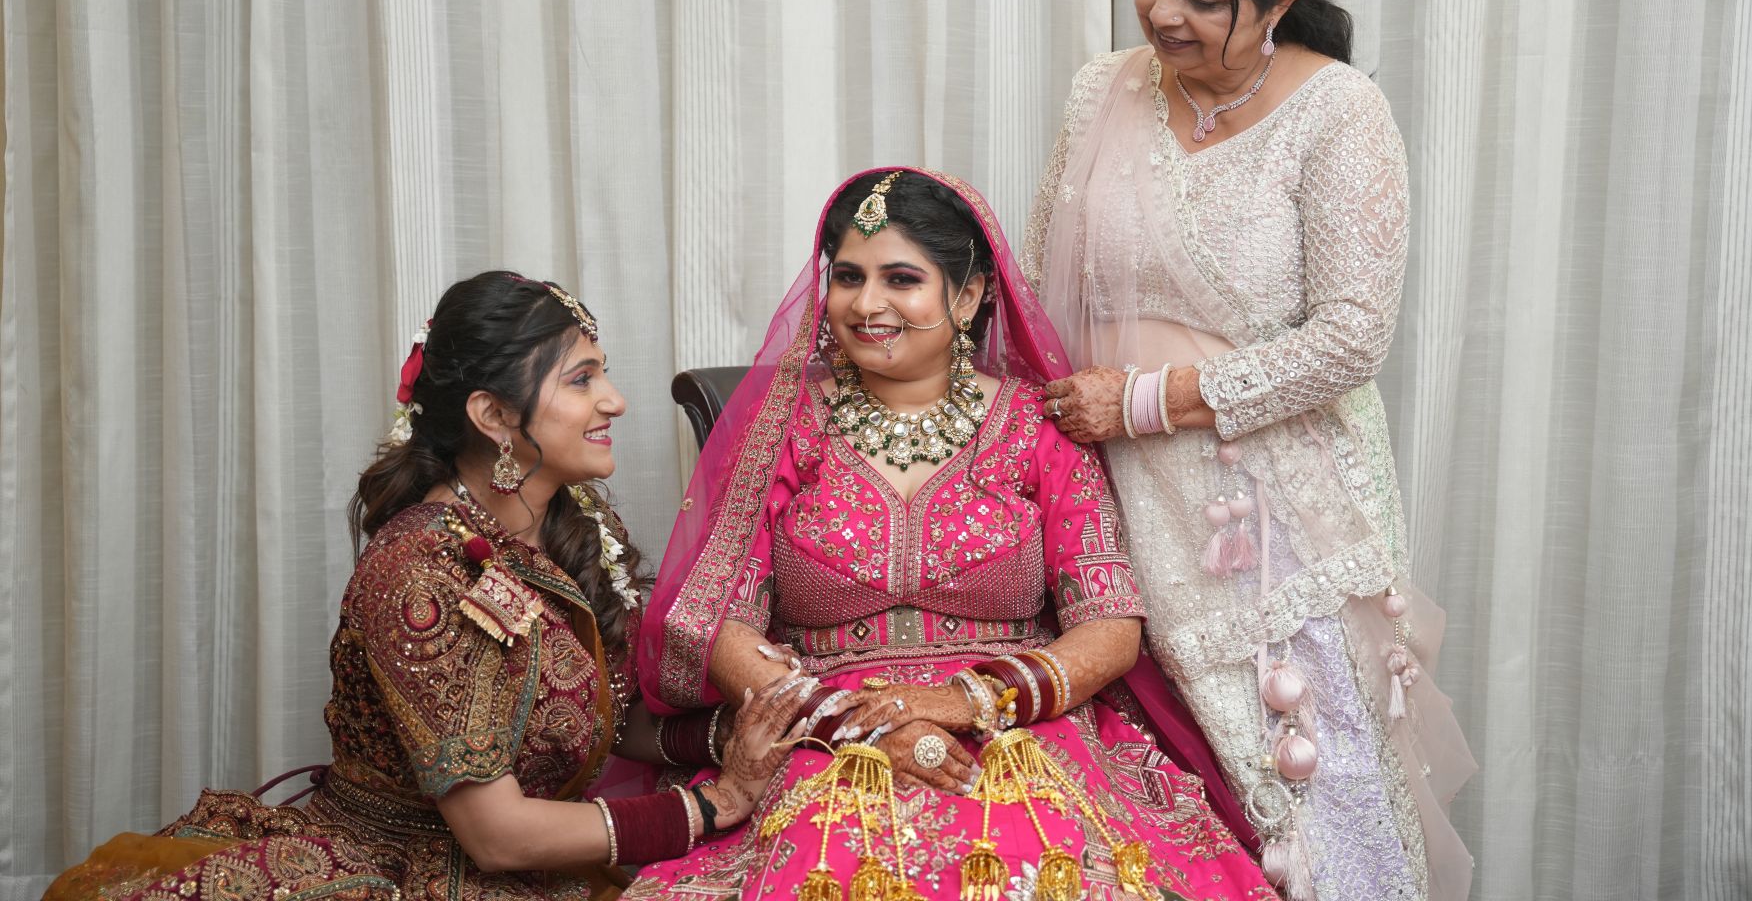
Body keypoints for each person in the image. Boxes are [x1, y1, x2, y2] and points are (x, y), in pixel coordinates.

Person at [1024, 0, 1475, 901]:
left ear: (1278, 0)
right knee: (1158, 810)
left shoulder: (1336, 112)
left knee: (1310, 784)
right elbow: (1042, 284)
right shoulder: (1101, 91)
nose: (1162, 13)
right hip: (1109, 494)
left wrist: (1146, 402)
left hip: (1274, 512)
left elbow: (1352, 339)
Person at [45, 271, 800, 901]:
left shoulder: (569, 522)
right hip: (399, 871)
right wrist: (713, 803)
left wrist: (745, 732)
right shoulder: (423, 572)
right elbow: (497, 835)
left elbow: (606, 708)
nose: (615, 399)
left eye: (602, 372)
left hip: (542, 869)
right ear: (493, 416)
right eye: (582, 379)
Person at [627, 170, 1275, 900]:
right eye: (848, 277)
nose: (866, 303)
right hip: (825, 726)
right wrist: (860, 727)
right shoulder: (781, 425)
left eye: (901, 279)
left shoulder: (1037, 427)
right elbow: (720, 623)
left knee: (1040, 858)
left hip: (1019, 725)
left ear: (967, 297)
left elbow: (1110, 628)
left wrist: (969, 702)